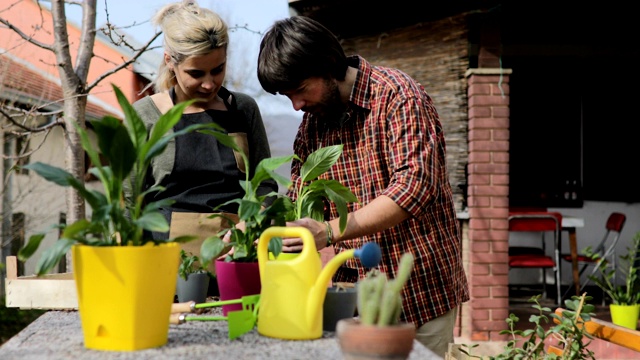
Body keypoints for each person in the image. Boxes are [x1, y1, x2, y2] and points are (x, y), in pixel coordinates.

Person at [256, 16, 469, 357]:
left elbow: (412, 188)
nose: (296, 105)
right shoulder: (312, 126)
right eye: (287, 96)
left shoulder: (398, 96)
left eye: (299, 90)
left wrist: (329, 229)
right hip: (355, 298)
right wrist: (256, 222)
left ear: (327, 66)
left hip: (420, 291)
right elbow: (298, 197)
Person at [126, 0, 277, 285]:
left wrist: (253, 222)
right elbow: (130, 202)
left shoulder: (243, 110)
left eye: (217, 70)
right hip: (165, 271)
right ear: (170, 61)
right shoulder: (145, 116)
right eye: (196, 73)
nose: (209, 83)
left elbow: (265, 185)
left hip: (238, 263)